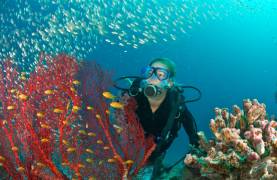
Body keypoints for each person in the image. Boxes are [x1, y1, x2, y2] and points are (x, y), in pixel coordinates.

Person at [127, 58, 199, 179]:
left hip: (157, 152)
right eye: (149, 73)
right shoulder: (134, 96)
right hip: (130, 150)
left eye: (160, 74)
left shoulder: (176, 105)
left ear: (170, 82)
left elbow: (193, 137)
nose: (153, 78)